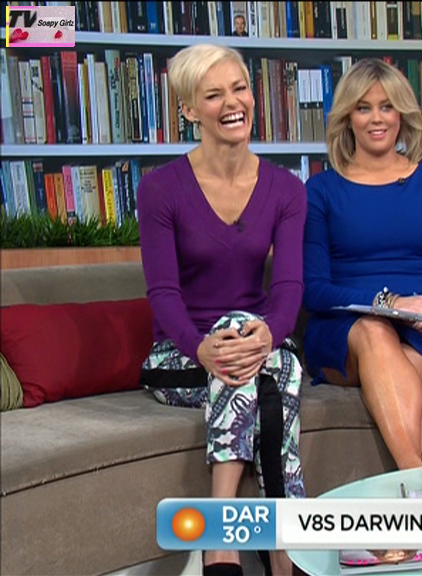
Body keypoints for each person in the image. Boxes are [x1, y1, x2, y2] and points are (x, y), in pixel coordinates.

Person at [137, 44, 307, 576]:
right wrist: (202, 347)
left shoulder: (286, 189)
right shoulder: (160, 188)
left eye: (240, 88)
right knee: (268, 372)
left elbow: (289, 287)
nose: (233, 103)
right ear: (189, 109)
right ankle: (280, 554)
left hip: (256, 346)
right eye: (214, 95)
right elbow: (163, 293)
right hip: (180, 355)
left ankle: (225, 550)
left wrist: (268, 335)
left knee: (272, 365)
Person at [302, 58, 422, 470]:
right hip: (343, 332)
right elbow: (314, 287)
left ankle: (418, 500)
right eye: (364, 108)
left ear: (402, 115)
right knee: (375, 332)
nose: (376, 118)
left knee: (393, 379)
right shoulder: (320, 190)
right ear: (348, 117)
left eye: (387, 106)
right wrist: (388, 303)